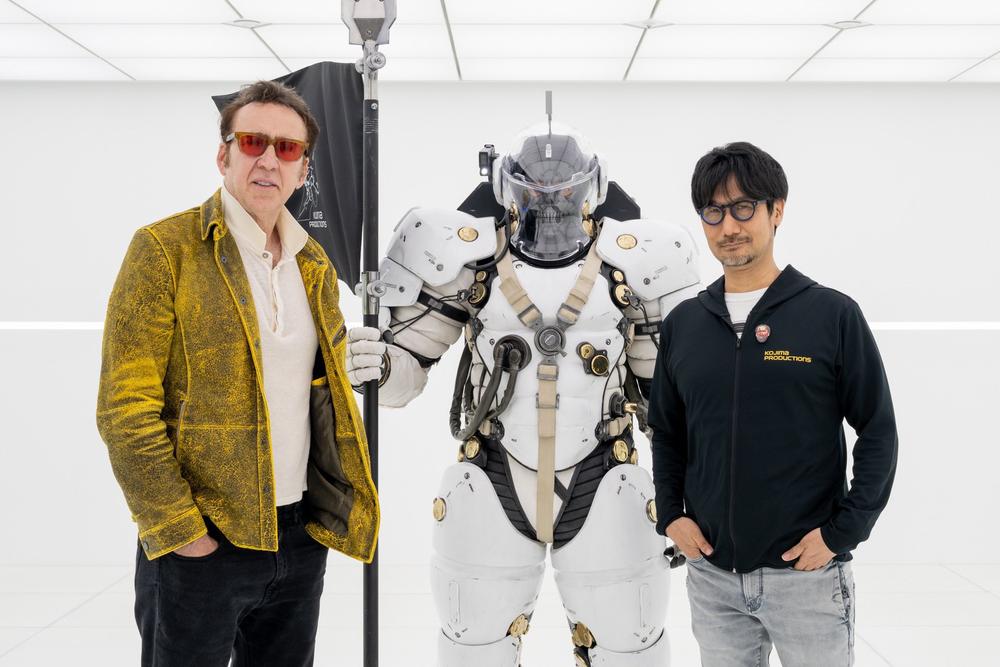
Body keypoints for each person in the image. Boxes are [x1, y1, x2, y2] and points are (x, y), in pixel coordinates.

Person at [346, 123, 703, 666]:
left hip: (604, 471)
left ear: (592, 190)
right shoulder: (466, 260)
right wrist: (374, 364)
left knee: (627, 644)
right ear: (508, 190)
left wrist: (695, 490)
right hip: (493, 471)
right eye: (537, 192)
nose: (551, 205)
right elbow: (403, 379)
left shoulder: (641, 262)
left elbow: (668, 408)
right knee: (473, 645)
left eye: (563, 192)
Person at [96, 80, 378, 667]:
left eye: (288, 148)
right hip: (202, 540)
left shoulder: (313, 262)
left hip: (299, 537)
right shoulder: (165, 249)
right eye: (253, 142)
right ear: (223, 155)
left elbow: (309, 387)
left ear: (303, 170)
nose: (269, 160)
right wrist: (179, 529)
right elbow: (124, 409)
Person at [648, 141, 898, 666]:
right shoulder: (685, 325)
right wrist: (671, 514)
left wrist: (843, 533)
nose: (728, 226)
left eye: (743, 208)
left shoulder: (831, 315)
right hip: (713, 580)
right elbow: (668, 432)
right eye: (713, 212)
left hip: (807, 578)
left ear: (776, 210)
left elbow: (877, 431)